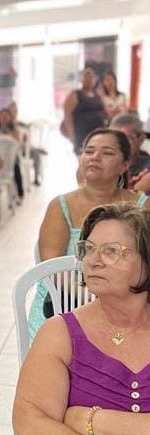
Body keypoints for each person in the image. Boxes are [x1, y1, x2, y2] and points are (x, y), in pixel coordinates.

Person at [10, 202, 150, 435]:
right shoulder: (60, 332)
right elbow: (32, 433)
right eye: (88, 249)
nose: (93, 261)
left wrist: (86, 420)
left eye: (112, 251)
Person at [28, 129, 147, 340]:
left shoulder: (143, 208)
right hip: (62, 304)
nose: (95, 157)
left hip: (127, 308)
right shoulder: (60, 206)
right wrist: (98, 305)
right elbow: (54, 271)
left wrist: (122, 308)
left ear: (125, 164)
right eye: (89, 151)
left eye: (107, 152)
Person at [64, 68, 106, 155]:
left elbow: (104, 112)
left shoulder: (97, 94)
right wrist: (71, 134)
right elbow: (67, 115)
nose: (89, 80)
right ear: (82, 79)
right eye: (86, 77)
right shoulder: (75, 94)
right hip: (81, 134)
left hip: (97, 133)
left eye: (91, 77)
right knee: (83, 159)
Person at [110, 113, 150, 192]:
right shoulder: (101, 165)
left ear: (141, 139)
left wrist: (139, 193)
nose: (119, 143)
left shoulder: (147, 171)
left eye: (127, 137)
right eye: (113, 137)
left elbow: (142, 202)